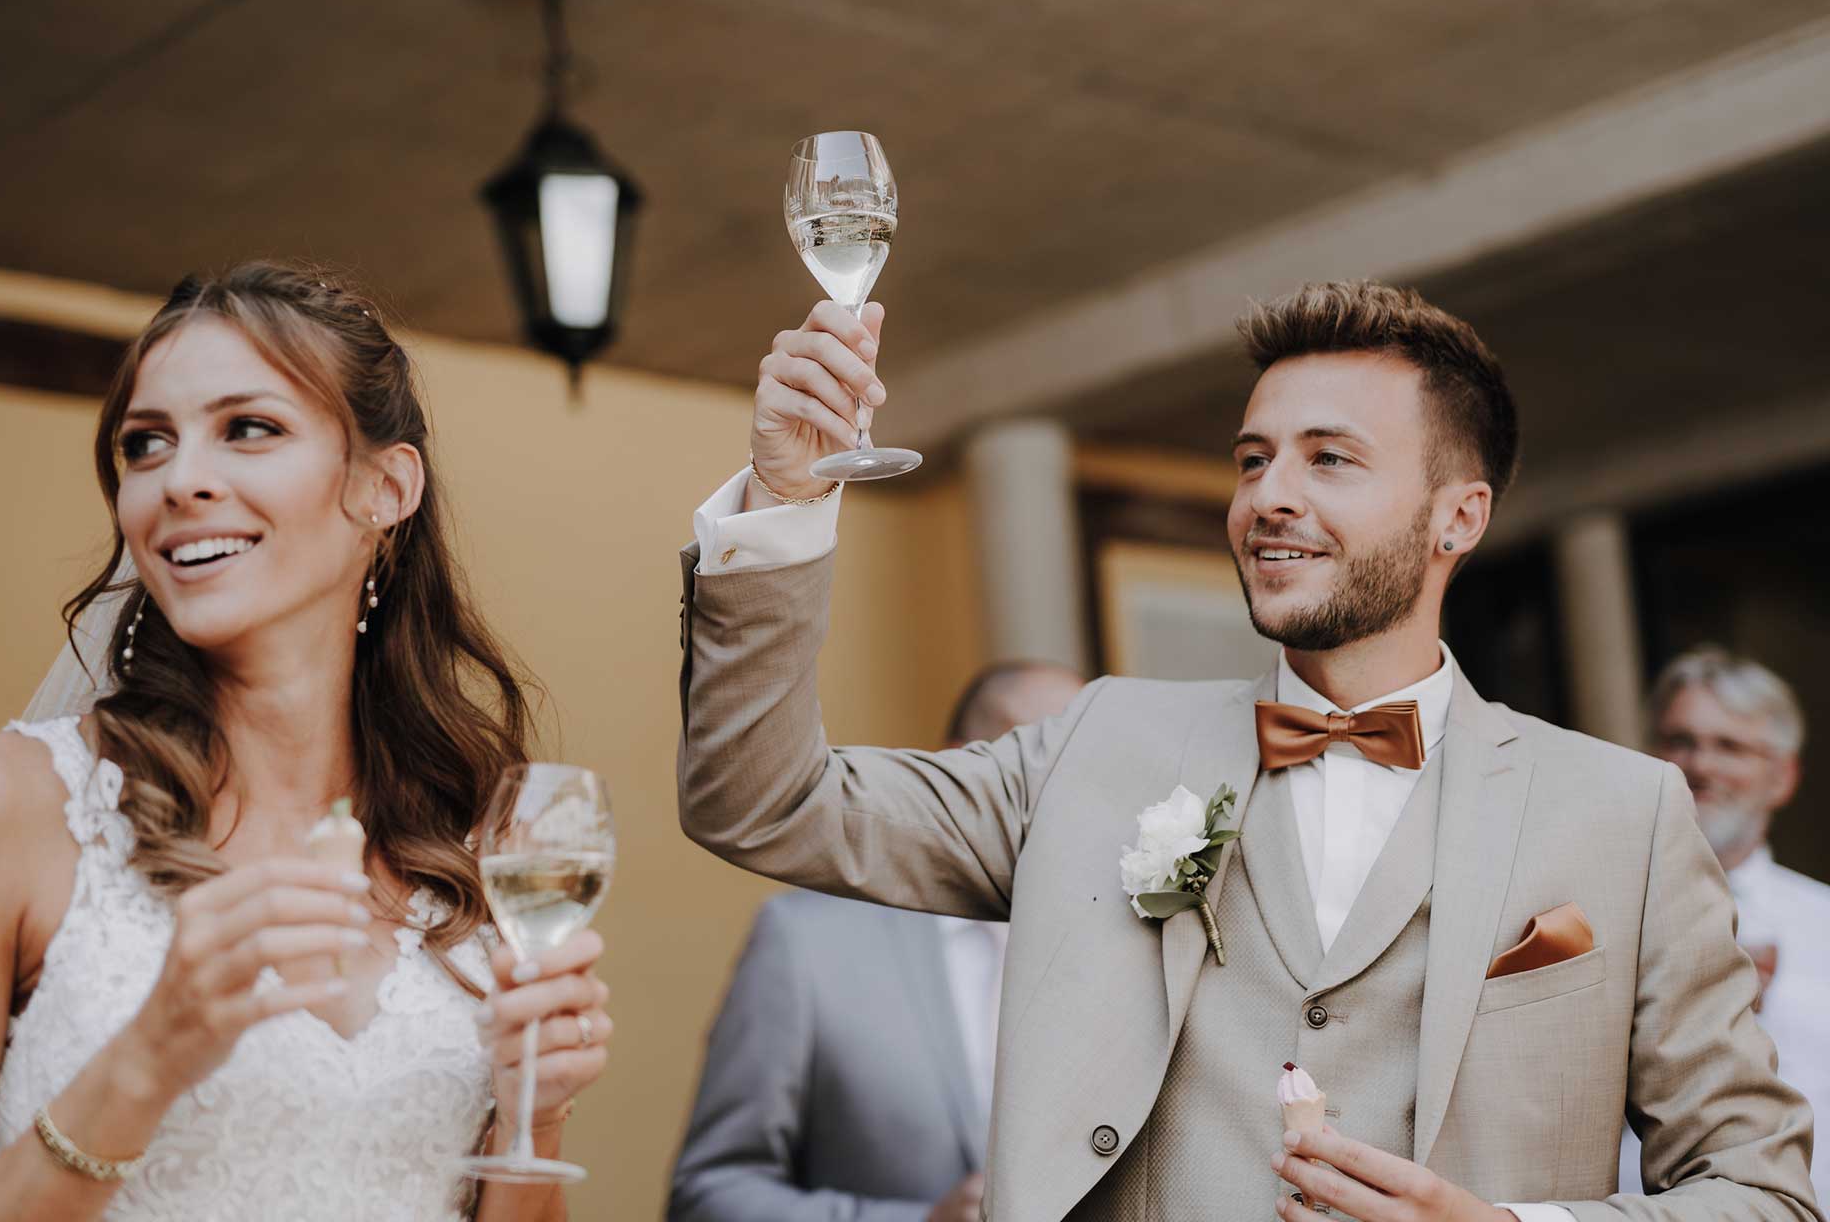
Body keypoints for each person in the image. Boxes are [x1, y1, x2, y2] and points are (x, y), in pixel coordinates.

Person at [674, 283, 1819, 1221]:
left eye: (1329, 460)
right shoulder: (1097, 743)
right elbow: (762, 799)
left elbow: (1764, 1193)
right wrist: (784, 496)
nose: (1268, 496)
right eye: (1252, 457)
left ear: (1456, 517)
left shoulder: (1623, 809)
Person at [0, 263, 612, 1220]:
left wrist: (540, 1121)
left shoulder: (475, 855)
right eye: (145, 445)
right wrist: (146, 1061)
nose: (181, 481)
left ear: (383, 487)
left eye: (249, 428)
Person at [669, 662, 1085, 1222]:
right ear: (962, 766)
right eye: (1043, 760)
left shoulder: (1142, 947)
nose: (1073, 792)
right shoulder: (807, 942)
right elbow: (707, 1195)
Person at [1618, 647, 1830, 1199]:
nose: (1701, 765)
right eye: (1679, 741)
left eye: (1730, 746)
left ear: (1782, 777)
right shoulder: (1592, 913)